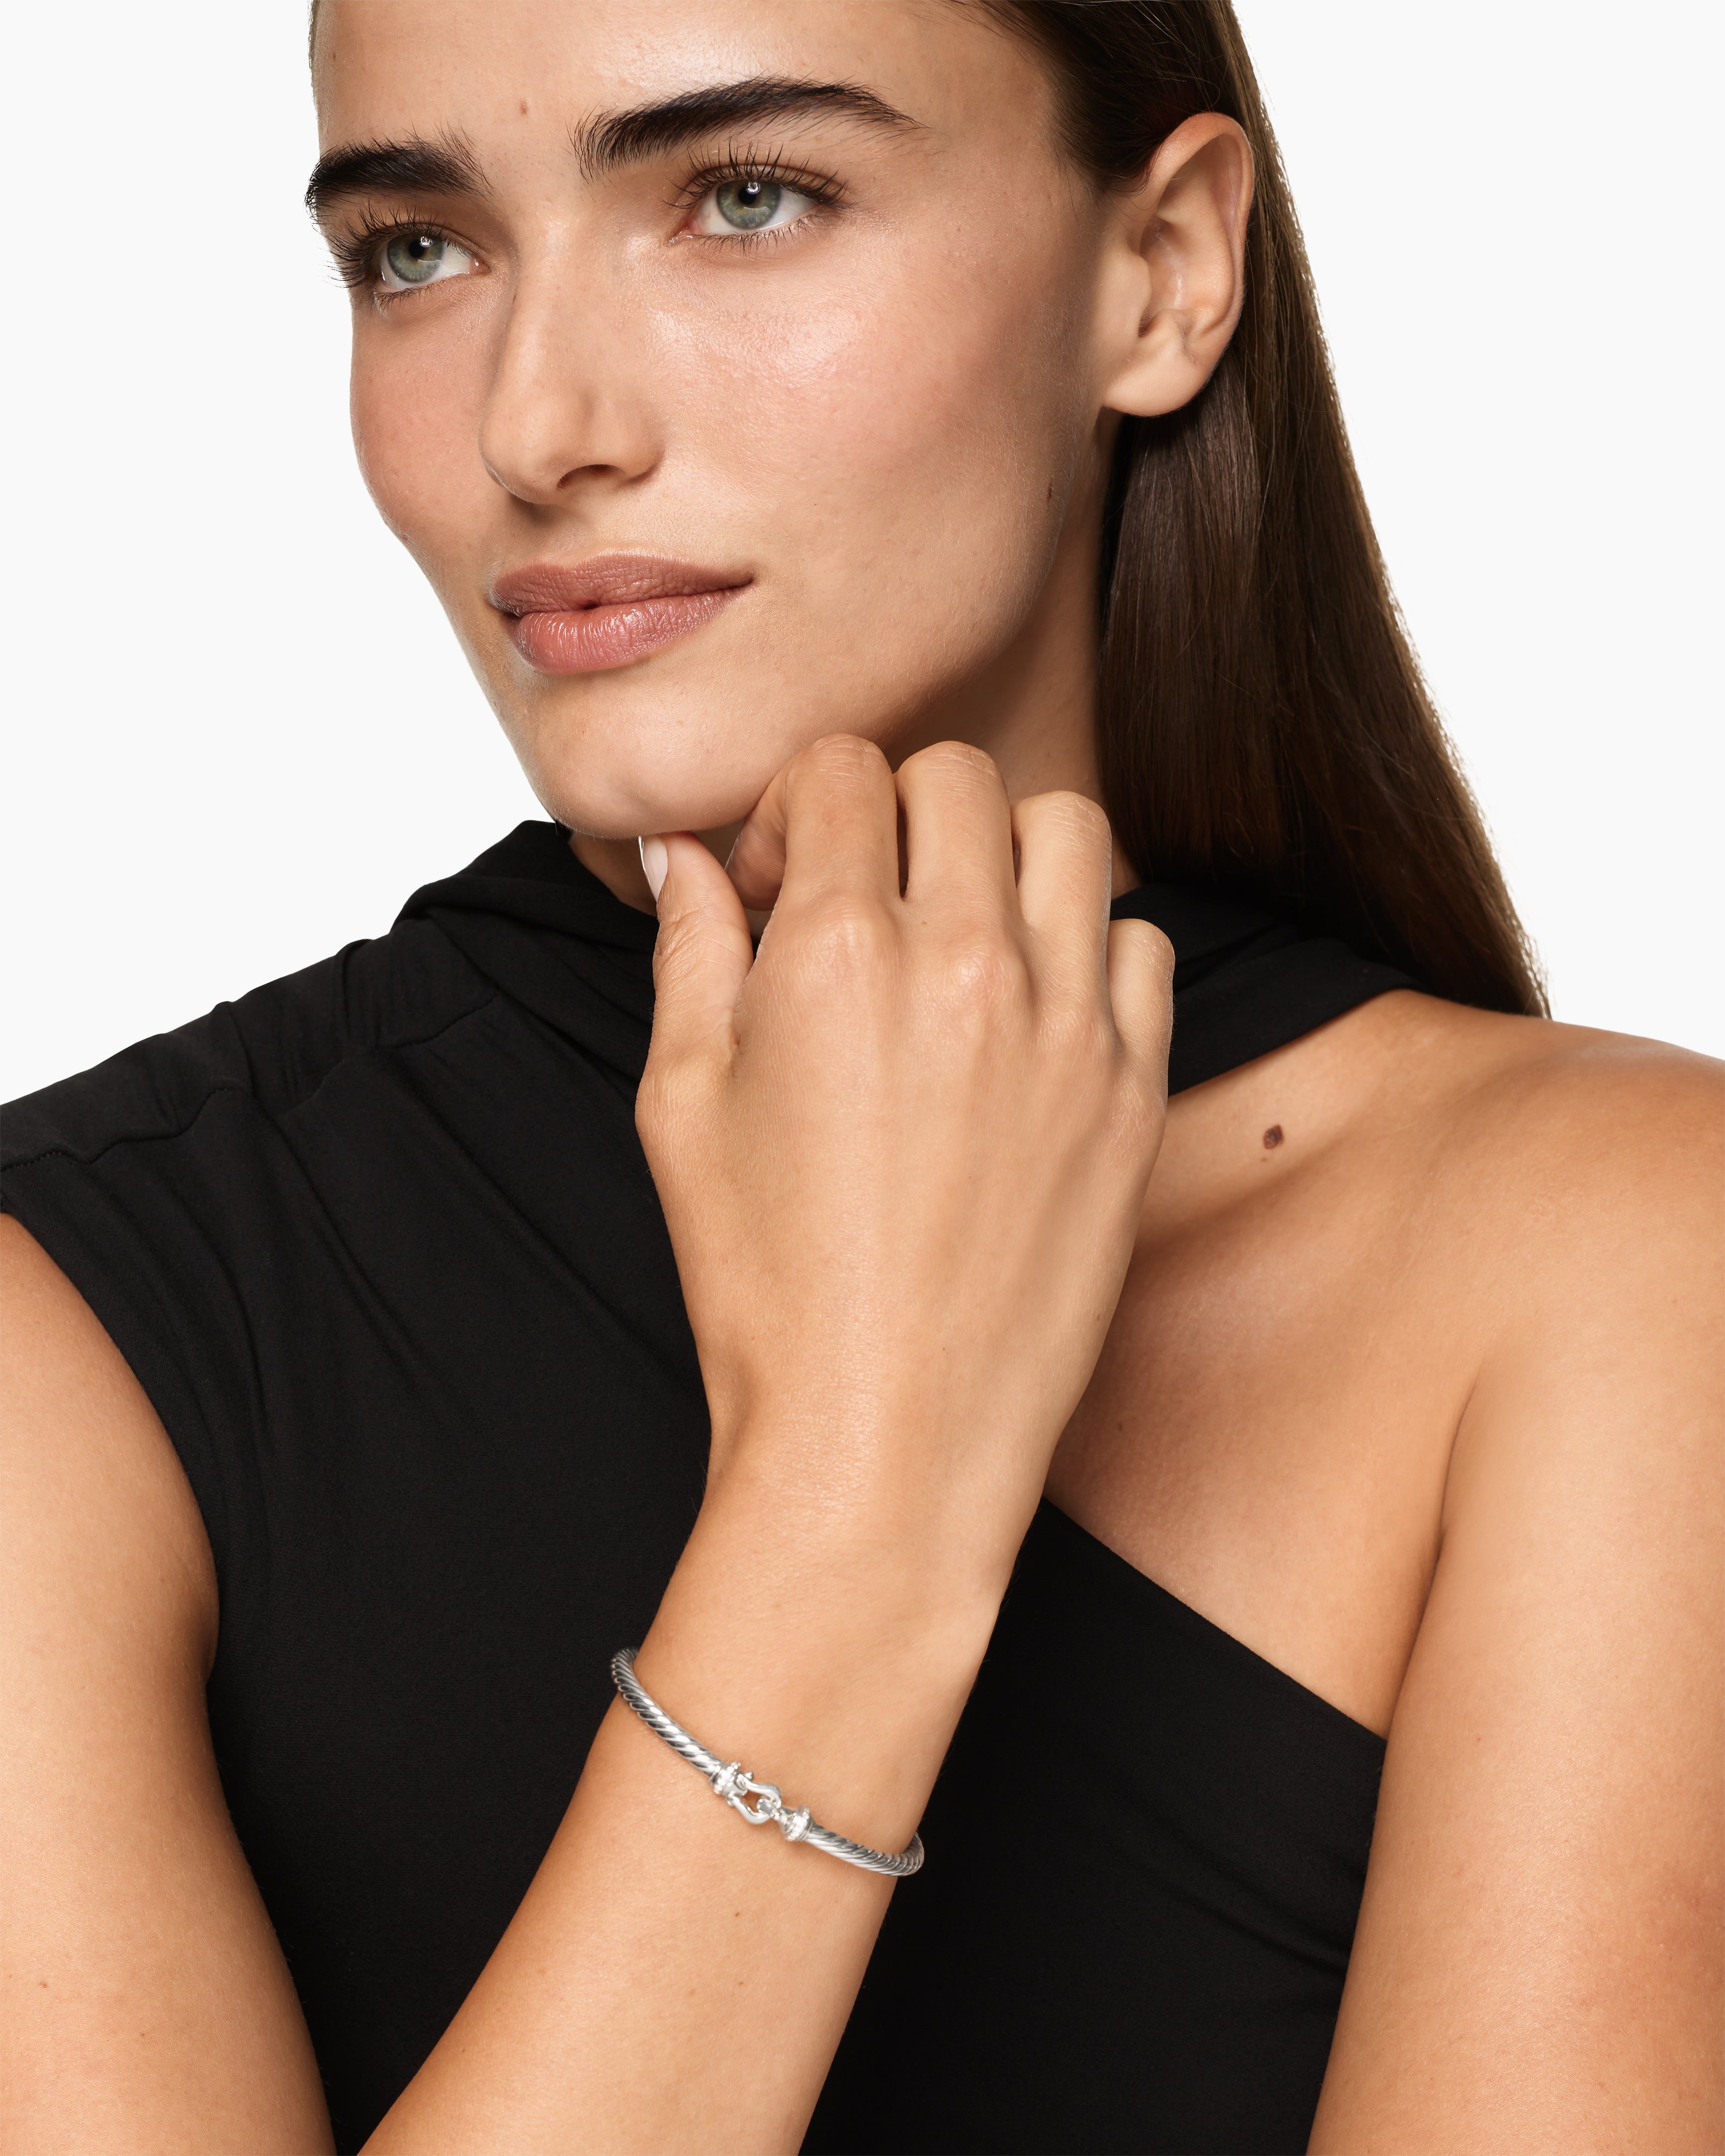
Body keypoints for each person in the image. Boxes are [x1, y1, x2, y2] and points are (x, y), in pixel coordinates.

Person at [2, 2, 1719, 2151]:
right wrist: (858, 1497)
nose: (539, 423)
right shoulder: (72, 1334)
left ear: (1162, 270)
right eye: (417, 250)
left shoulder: (1623, 1265)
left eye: (746, 198)